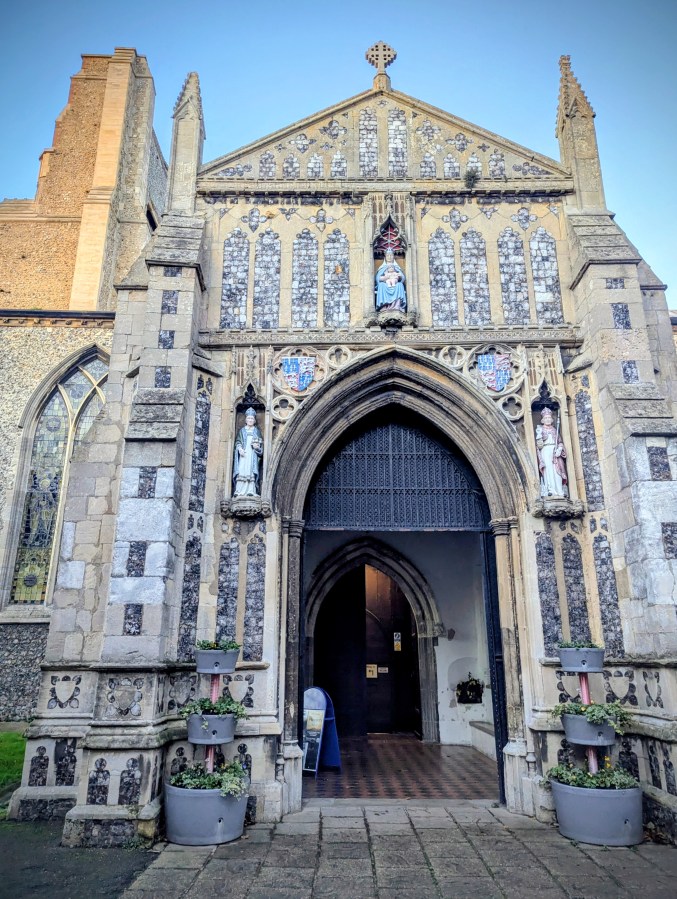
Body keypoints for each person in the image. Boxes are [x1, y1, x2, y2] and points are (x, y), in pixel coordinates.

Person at [536, 407, 568, 497]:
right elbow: (539, 445)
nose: (548, 420)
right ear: (542, 420)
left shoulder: (555, 430)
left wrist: (559, 449)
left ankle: (559, 490)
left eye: (549, 418)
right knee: (549, 471)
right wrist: (539, 436)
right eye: (546, 418)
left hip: (555, 452)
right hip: (546, 452)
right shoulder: (540, 429)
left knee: (557, 471)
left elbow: (560, 442)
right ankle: (551, 489)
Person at [233, 408, 263, 497]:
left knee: (250, 470)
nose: (250, 420)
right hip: (243, 454)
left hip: (252, 454)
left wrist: (257, 447)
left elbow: (260, 444)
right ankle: (239, 490)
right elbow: (238, 441)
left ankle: (251, 490)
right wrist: (239, 449)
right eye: (249, 419)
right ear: (246, 420)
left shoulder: (256, 431)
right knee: (242, 470)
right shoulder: (242, 430)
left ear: (254, 421)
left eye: (252, 419)